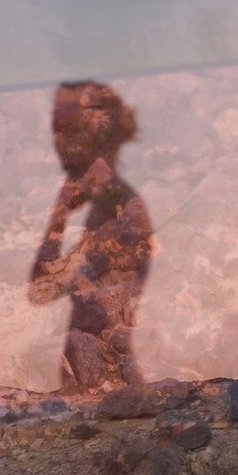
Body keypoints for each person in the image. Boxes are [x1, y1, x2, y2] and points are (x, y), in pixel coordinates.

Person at [29, 81, 155, 393]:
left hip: (108, 380)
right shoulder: (105, 202)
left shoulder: (121, 214)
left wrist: (58, 221)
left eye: (63, 128)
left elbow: (41, 292)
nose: (54, 140)